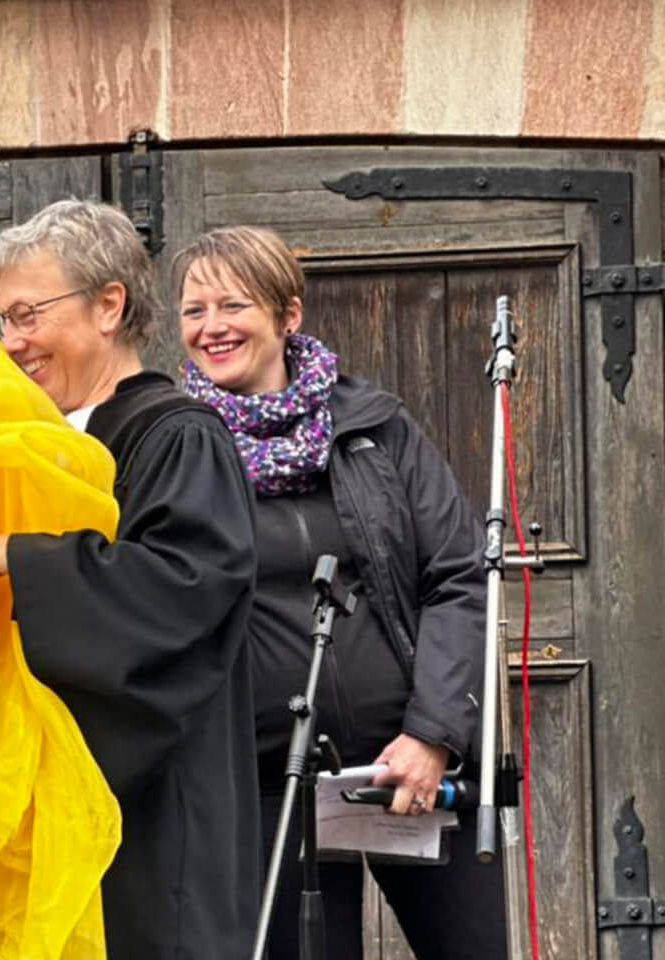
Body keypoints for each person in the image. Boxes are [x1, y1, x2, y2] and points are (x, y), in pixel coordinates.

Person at [171, 225, 504, 960]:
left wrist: (433, 735)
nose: (212, 327)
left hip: (411, 771)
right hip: (267, 787)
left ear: (288, 315)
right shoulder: (178, 447)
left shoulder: (376, 428)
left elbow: (457, 574)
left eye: (233, 305)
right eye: (194, 311)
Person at [0, 199, 261, 959]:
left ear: (109, 305)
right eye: (2, 322)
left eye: (28, 315)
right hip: (50, 811)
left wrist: (13, 559)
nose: (12, 343)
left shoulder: (176, 435)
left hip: (154, 819)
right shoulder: (31, 447)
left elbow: (182, 588)